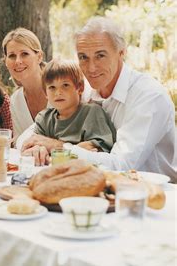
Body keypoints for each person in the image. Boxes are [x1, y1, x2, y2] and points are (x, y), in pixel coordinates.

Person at [22, 17, 176, 181]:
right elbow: (26, 138)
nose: (91, 68)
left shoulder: (148, 97)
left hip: (157, 194)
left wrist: (58, 147)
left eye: (100, 56)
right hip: (100, 187)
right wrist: (39, 147)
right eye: (83, 57)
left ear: (121, 53)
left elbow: (122, 165)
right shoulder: (84, 90)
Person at [21, 59, 116, 164]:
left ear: (80, 88)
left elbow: (99, 148)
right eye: (52, 87)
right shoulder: (44, 118)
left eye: (65, 85)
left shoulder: (91, 113)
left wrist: (54, 148)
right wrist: (39, 148)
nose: (58, 93)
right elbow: (34, 145)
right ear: (46, 93)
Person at [2, 28, 47, 137]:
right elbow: (20, 142)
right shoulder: (15, 101)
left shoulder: (60, 87)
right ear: (6, 62)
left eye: (24, 54)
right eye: (12, 56)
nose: (18, 61)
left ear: (39, 56)